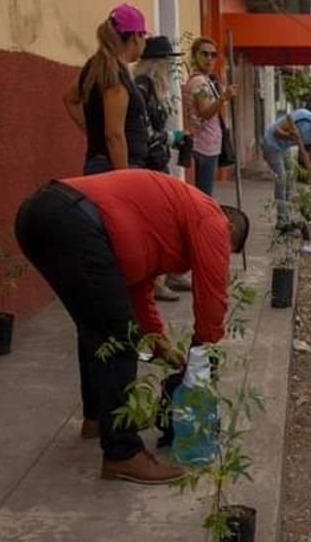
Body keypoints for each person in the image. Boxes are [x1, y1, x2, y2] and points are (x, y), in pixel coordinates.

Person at [14, 169, 250, 484]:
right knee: (118, 336)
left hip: (41, 216)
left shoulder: (163, 222)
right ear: (229, 226)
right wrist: (202, 349)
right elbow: (211, 290)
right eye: (227, 249)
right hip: (72, 220)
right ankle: (122, 454)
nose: (220, 254)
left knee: (97, 325)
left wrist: (159, 345)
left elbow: (137, 291)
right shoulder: (211, 217)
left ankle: (97, 418)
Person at [134, 35, 194, 299]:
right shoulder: (142, 88)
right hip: (147, 164)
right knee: (158, 223)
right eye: (167, 63)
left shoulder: (155, 88)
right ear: (155, 63)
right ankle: (156, 280)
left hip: (158, 161)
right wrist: (173, 138)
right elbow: (143, 133)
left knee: (170, 220)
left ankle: (170, 272)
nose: (171, 69)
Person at [61, 3, 150, 173]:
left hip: (100, 162)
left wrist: (92, 130)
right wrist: (123, 178)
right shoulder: (114, 74)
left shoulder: (96, 65)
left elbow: (70, 98)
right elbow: (114, 134)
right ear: (136, 37)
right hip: (115, 166)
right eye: (144, 35)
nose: (144, 41)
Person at [261, 109, 311, 254]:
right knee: (282, 178)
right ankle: (282, 222)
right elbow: (276, 132)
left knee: (290, 179)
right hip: (271, 143)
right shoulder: (302, 117)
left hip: (284, 148)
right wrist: (291, 136)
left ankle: (287, 216)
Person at [185, 36, 238, 196]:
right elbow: (205, 112)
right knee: (203, 196)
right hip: (203, 146)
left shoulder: (207, 80)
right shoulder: (199, 82)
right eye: (204, 54)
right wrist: (223, 98)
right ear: (195, 56)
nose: (209, 59)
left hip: (209, 144)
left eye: (212, 55)